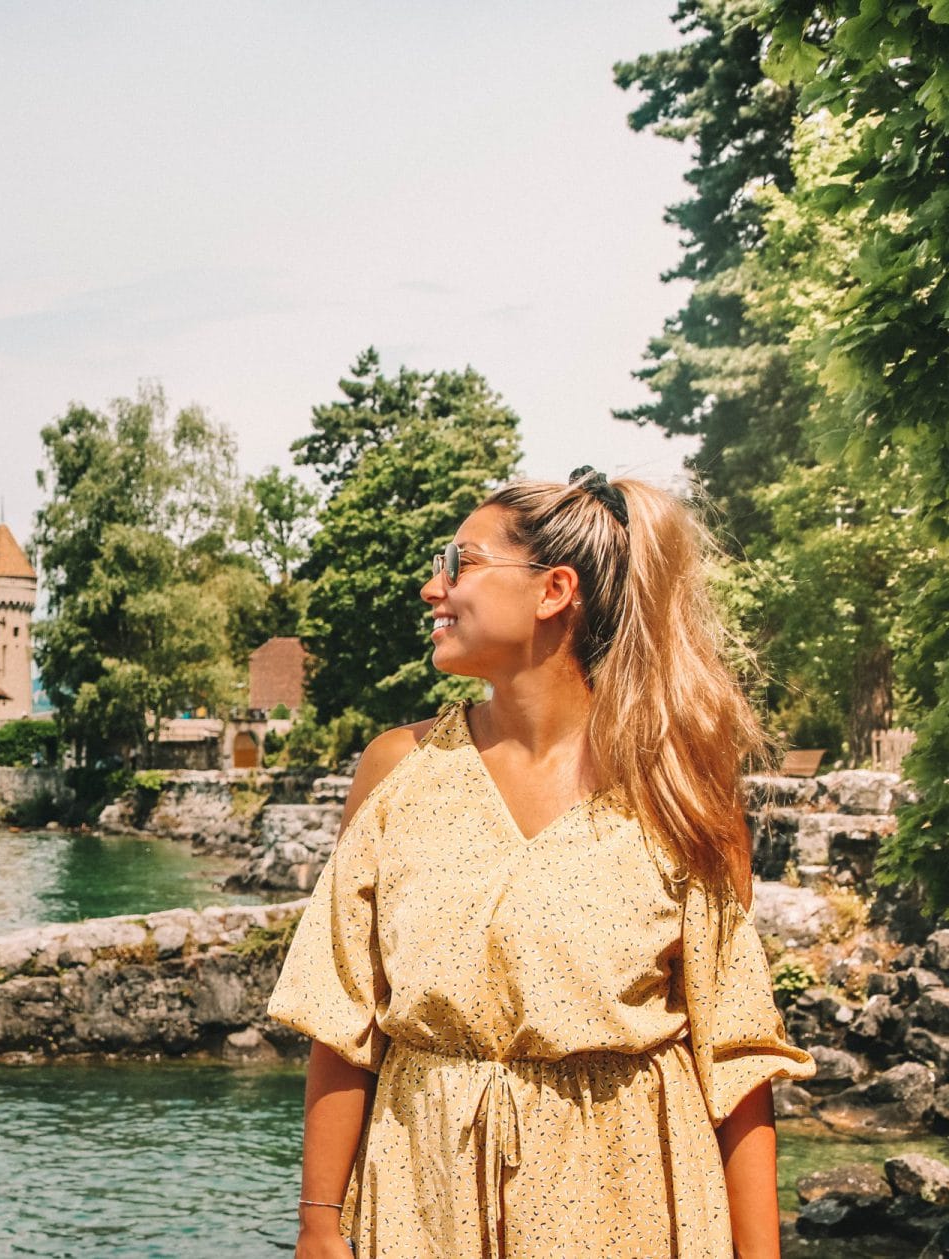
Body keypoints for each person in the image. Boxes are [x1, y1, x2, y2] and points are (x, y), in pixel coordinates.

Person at [267, 469, 816, 1259]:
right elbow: (342, 1022)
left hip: (630, 1215)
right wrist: (319, 1224)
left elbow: (735, 1061)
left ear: (554, 589)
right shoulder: (397, 771)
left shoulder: (677, 789)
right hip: (425, 1208)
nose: (432, 587)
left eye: (459, 562)